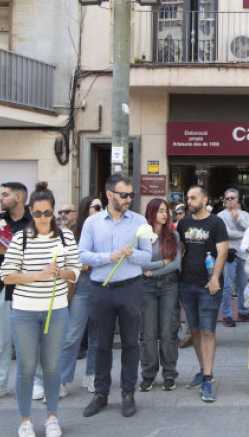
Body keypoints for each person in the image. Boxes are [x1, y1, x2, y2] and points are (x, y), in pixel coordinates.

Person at [0, 181, 81, 437]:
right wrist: (39, 275)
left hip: (56, 310)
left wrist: (61, 272)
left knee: (52, 366)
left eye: (47, 213)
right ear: (30, 212)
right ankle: (25, 420)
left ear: (54, 211)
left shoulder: (66, 235)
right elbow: (6, 275)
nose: (43, 218)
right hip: (24, 311)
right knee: (25, 367)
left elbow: (75, 271)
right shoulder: (21, 237)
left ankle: (52, 417)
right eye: (37, 213)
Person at [79, 174, 153, 418]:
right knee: (100, 344)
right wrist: (108, 256)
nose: (129, 199)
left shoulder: (139, 221)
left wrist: (131, 254)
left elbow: (147, 256)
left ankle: (128, 393)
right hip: (100, 289)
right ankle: (100, 393)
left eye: (131, 194)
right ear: (109, 194)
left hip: (130, 287)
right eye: (124, 194)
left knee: (131, 343)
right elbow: (83, 255)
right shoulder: (92, 222)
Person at [0, 182, 44, 405]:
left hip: (27, 285)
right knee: (0, 339)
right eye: (0, 194)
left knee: (30, 338)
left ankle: (36, 381)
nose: (0, 198)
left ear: (18, 198)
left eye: (4, 195)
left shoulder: (35, 221)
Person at [177, 185, 228, 402]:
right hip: (187, 284)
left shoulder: (216, 222)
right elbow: (180, 249)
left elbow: (222, 252)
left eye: (193, 197)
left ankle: (207, 379)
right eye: (188, 198)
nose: (189, 201)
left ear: (205, 199)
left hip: (208, 286)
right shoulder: (184, 223)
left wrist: (215, 278)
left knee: (208, 332)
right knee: (195, 330)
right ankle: (203, 369)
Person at [58, 196, 103, 397]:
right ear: (86, 210)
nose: (102, 209)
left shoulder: (103, 230)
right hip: (83, 286)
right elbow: (73, 263)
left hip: (102, 286)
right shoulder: (73, 234)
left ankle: (92, 375)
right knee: (72, 335)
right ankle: (61, 380)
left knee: (97, 335)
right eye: (97, 207)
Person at [138, 199, 182, 393]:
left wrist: (152, 270)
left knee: (168, 331)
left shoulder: (173, 235)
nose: (165, 214)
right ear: (152, 212)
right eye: (161, 211)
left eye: (167, 211)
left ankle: (169, 374)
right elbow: (139, 263)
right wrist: (161, 264)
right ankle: (148, 375)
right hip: (145, 286)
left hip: (169, 285)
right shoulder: (142, 236)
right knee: (148, 333)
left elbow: (175, 264)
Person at [217, 188, 249, 326]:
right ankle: (226, 314)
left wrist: (239, 220)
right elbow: (226, 233)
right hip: (229, 254)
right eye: (227, 198)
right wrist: (244, 233)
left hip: (244, 255)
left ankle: (243, 311)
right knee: (226, 286)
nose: (230, 200)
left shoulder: (244, 214)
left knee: (243, 286)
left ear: (238, 199)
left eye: (232, 198)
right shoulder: (220, 215)